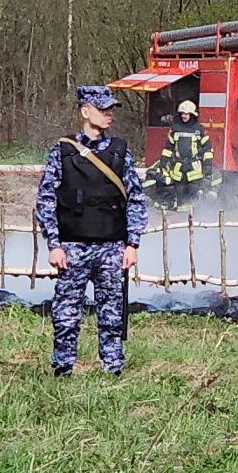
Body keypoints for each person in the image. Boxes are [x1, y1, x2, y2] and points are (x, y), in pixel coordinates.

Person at [35, 85, 147, 376]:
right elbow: (45, 199)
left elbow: (135, 197)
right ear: (85, 111)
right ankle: (63, 368)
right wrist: (54, 244)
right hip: (72, 247)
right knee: (66, 313)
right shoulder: (63, 151)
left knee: (112, 313)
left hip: (112, 248)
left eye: (111, 109)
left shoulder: (121, 151)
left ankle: (112, 369)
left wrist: (132, 243)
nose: (109, 114)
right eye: (102, 109)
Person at [152, 99, 219, 209]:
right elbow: (168, 148)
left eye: (187, 114)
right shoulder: (175, 129)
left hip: (194, 168)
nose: (184, 116)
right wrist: (163, 162)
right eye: (182, 113)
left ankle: (195, 216)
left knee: (194, 193)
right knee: (180, 192)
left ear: (192, 114)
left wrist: (207, 166)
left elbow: (207, 150)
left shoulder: (199, 130)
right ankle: (181, 217)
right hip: (178, 168)